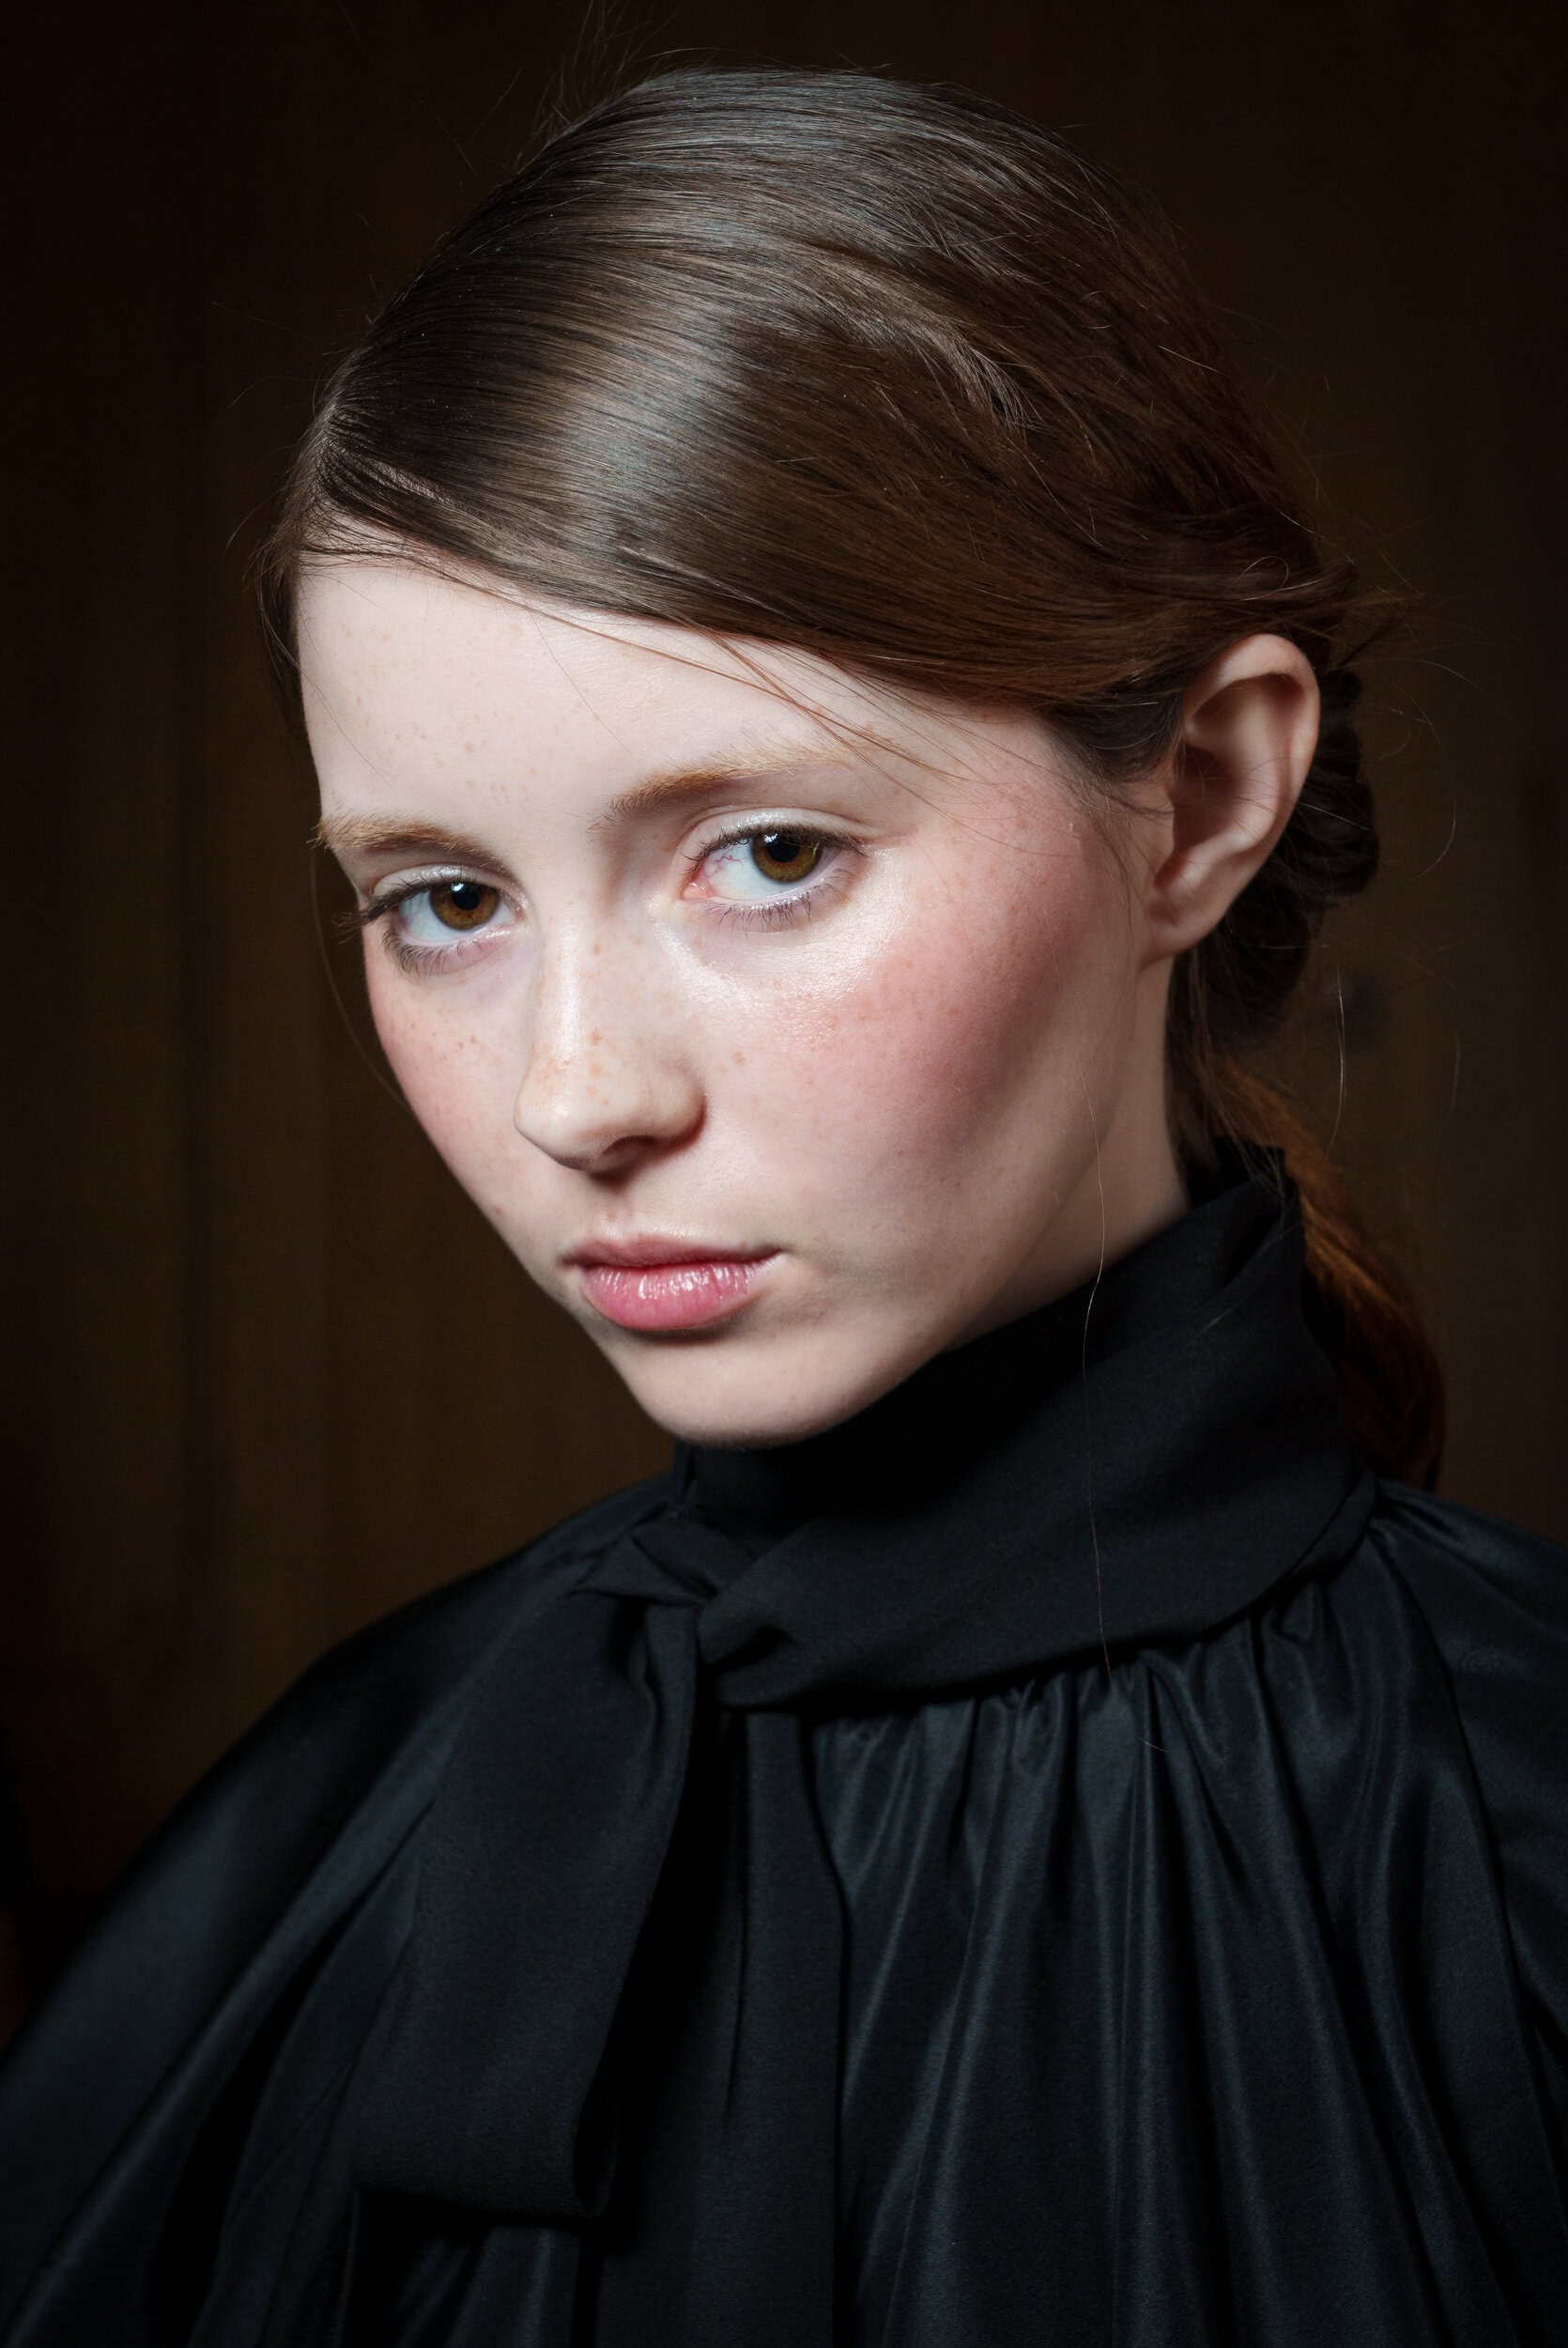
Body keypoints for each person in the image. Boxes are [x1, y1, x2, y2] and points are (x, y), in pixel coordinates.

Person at [2, 65, 1564, 2348]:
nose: (576, 1094)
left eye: (768, 851)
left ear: (1199, 797)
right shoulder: (305, 1854)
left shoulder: (1519, 1844)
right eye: (444, 897)